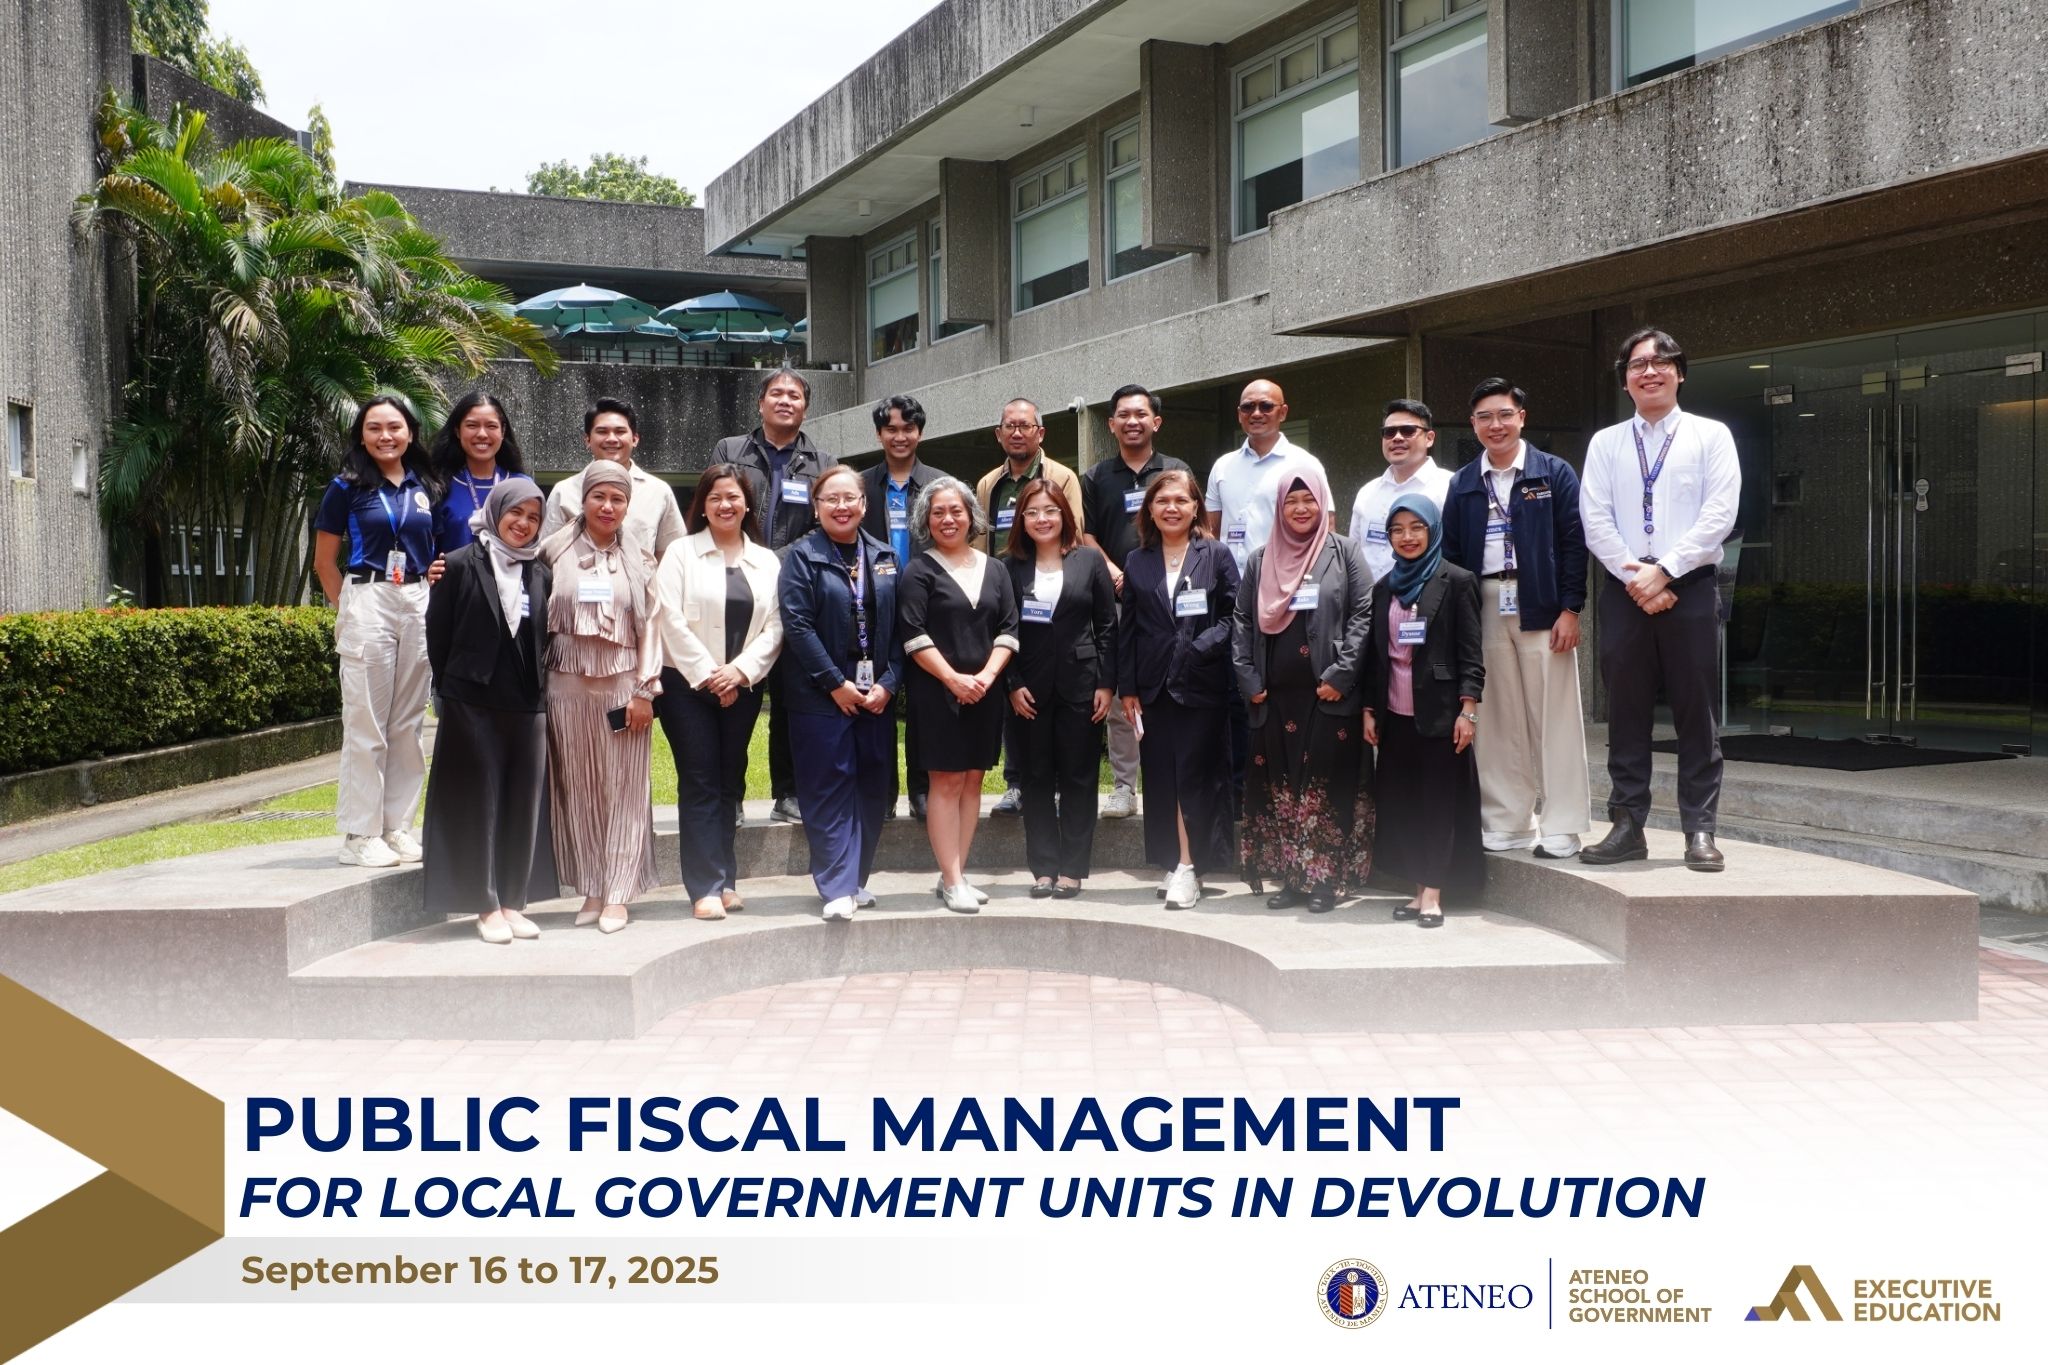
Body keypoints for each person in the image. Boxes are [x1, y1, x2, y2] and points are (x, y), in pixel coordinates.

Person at [1578, 328, 1741, 872]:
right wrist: (1639, 579)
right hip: (1626, 590)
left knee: (1698, 712)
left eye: (1661, 362)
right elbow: (1595, 518)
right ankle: (1627, 825)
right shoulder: (1606, 443)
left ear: (1680, 372)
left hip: (1690, 587)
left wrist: (1665, 570)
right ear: (1624, 379)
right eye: (1637, 364)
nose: (1649, 371)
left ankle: (1700, 829)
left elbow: (1720, 513)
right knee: (1626, 712)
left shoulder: (1710, 436)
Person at [1441, 378, 1593, 859]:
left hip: (1542, 602)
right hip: (1484, 602)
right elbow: (1451, 555)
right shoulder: (1463, 483)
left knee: (1555, 717)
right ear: (1473, 424)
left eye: (1505, 414)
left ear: (1522, 418)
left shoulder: (1553, 473)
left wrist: (1571, 609)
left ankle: (1563, 825)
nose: (1496, 425)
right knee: (1498, 718)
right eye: (1485, 417)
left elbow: (1574, 545)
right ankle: (1507, 820)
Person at [421, 477, 559, 943]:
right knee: (476, 803)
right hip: (472, 700)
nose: (523, 524)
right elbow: (438, 634)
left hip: (527, 702)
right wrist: (452, 687)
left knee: (523, 801)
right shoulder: (458, 564)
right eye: (515, 513)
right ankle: (484, 904)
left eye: (533, 517)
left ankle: (513, 900)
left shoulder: (540, 573)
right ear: (497, 512)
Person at [1232, 463, 1374, 913]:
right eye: (1290, 500)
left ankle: (1325, 881)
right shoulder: (1260, 559)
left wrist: (1341, 675)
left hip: (1327, 696)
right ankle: (1292, 879)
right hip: (1274, 699)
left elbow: (1363, 614)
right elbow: (1241, 621)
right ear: (1279, 507)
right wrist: (1249, 679)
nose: (1299, 508)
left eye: (1308, 499)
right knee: (1283, 788)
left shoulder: (1344, 552)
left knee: (1326, 788)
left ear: (1322, 502)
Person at [313, 395, 443, 868]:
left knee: (407, 723)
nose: (385, 436)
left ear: (410, 432)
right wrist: (350, 607)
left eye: (394, 427)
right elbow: (324, 563)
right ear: (361, 436)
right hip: (368, 594)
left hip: (417, 598)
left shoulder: (425, 484)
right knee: (366, 722)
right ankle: (359, 834)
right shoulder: (345, 487)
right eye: (374, 428)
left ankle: (396, 828)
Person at [652, 464, 783, 920]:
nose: (725, 505)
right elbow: (667, 617)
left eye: (733, 497)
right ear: (703, 507)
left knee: (731, 781)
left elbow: (776, 626)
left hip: (742, 686)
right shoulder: (681, 553)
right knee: (701, 780)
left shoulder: (766, 561)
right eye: (715, 498)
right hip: (685, 686)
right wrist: (711, 675)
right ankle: (704, 887)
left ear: (747, 504)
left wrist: (739, 672)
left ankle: (726, 880)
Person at [538, 461, 662, 933]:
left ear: (628, 506)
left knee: (624, 790)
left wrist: (645, 690)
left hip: (622, 688)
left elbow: (653, 627)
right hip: (566, 689)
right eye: (599, 497)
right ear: (583, 500)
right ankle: (592, 886)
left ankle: (619, 892)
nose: (608, 507)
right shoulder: (551, 551)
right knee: (579, 789)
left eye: (618, 499)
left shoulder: (641, 560)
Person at [777, 463, 903, 920]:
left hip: (875, 692)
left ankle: (855, 880)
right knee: (827, 787)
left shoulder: (884, 556)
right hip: (820, 692)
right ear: (816, 507)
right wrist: (834, 683)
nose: (842, 506)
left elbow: (902, 627)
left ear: (864, 505)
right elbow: (797, 625)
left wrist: (889, 682)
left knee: (872, 786)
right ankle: (835, 886)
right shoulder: (801, 556)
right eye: (831, 499)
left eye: (850, 497)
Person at [713, 368, 839, 826]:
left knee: (790, 699)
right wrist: (746, 557)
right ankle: (729, 796)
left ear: (806, 406)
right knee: (736, 695)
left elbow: (823, 524)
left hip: (794, 590)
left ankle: (788, 793)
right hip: (735, 588)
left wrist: (771, 559)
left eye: (795, 395)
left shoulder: (821, 461)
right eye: (777, 393)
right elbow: (718, 502)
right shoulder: (731, 450)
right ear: (761, 402)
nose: (785, 401)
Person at [1206, 377, 1333, 822]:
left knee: (1285, 698)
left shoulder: (1304, 463)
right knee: (1241, 697)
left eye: (1265, 406)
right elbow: (1211, 532)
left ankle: (1293, 791)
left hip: (1292, 600)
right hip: (1234, 598)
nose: (1256, 413)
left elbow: (1326, 529)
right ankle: (1243, 793)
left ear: (1283, 411)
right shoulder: (1223, 466)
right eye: (1247, 407)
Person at [1116, 469, 1240, 909]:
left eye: (1181, 500)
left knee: (1194, 776)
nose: (1172, 508)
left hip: (1200, 684)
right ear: (1149, 509)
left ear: (1195, 507)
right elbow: (1128, 629)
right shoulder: (1137, 560)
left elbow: (1235, 616)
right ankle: (1174, 860)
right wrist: (1128, 687)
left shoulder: (1216, 554)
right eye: (1162, 501)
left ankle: (1190, 865)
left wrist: (1201, 646)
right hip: (1152, 688)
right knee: (1162, 778)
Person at [1362, 495, 1486, 927]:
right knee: (1406, 805)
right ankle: (1418, 891)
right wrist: (1369, 709)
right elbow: (1377, 657)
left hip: (1441, 715)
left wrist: (1468, 709)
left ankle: (1433, 894)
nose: (1407, 537)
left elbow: (1471, 652)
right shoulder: (1384, 587)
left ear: (1432, 530)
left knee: (1437, 806)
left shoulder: (1457, 581)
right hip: (1395, 717)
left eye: (1417, 527)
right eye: (1397, 530)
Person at [900, 476, 1019, 912]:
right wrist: (953, 679)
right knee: (946, 782)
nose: (948, 519)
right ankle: (952, 881)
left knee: (973, 781)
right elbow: (913, 634)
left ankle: (956, 873)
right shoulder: (918, 571)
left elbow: (1009, 629)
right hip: (937, 694)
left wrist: (985, 677)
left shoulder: (996, 569)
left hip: (985, 693)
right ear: (926, 520)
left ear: (972, 516)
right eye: (938, 512)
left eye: (956, 511)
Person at [1078, 383, 1188, 821]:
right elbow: (1086, 535)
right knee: (1122, 695)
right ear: (1111, 424)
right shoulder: (1096, 477)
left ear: (1155, 422)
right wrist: (1116, 572)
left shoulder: (1175, 470)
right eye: (1123, 415)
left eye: (1140, 414)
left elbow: (1190, 525)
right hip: (1117, 599)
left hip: (1168, 600)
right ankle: (1125, 786)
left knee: (1170, 690)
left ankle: (1172, 780)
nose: (1132, 422)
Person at [973, 397, 1085, 815]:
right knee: (1011, 687)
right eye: (1010, 426)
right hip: (1006, 592)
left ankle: (1052, 782)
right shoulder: (989, 483)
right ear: (998, 434)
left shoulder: (1062, 476)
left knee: (1050, 691)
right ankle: (1016, 782)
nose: (1017, 433)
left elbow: (1073, 531)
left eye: (1025, 426)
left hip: (1052, 591)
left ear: (1041, 432)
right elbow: (979, 540)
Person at [1006, 480, 1118, 897]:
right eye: (1033, 512)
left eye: (1050, 510)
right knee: (1035, 777)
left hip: (1081, 685)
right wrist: (1012, 684)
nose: (1042, 519)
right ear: (1022, 519)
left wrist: (1106, 682)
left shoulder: (1089, 560)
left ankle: (1072, 869)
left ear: (1064, 515)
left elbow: (1107, 626)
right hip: (1028, 690)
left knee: (1079, 777)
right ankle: (1043, 869)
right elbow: (1001, 630)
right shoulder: (1009, 566)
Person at [862, 395, 943, 822]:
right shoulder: (860, 486)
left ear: (920, 433)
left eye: (908, 428)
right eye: (891, 429)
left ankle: (922, 789)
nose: (900, 436)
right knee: (877, 700)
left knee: (925, 705)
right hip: (874, 607)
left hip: (928, 608)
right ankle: (883, 792)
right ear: (879, 434)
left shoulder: (939, 485)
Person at [540, 397, 686, 556]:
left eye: (620, 431)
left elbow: (671, 553)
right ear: (587, 440)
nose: (611, 439)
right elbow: (547, 552)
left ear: (635, 439)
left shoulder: (659, 491)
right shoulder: (564, 491)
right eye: (602, 431)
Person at [1348, 399, 1454, 583]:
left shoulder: (1450, 487)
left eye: (1407, 430)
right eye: (1389, 432)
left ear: (1429, 438)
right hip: (1372, 597)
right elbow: (1355, 555)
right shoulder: (1367, 492)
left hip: (1429, 596)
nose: (1397, 438)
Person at [428, 391, 530, 552]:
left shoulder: (522, 486)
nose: (482, 434)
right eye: (472, 425)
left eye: (491, 426)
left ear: (503, 431)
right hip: (456, 569)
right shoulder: (439, 486)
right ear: (457, 431)